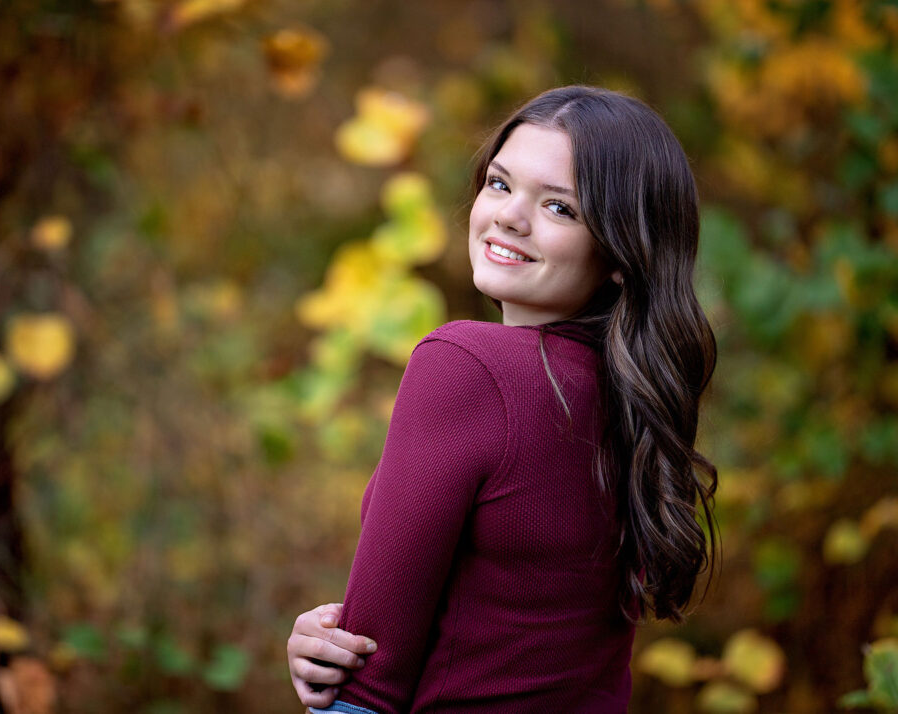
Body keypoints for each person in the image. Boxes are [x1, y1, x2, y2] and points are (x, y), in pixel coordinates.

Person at [286, 85, 718, 713]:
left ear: (622, 253)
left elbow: (367, 689)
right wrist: (327, 641)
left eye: (561, 209)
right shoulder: (631, 400)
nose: (511, 216)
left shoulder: (466, 367)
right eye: (499, 183)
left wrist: (334, 682)